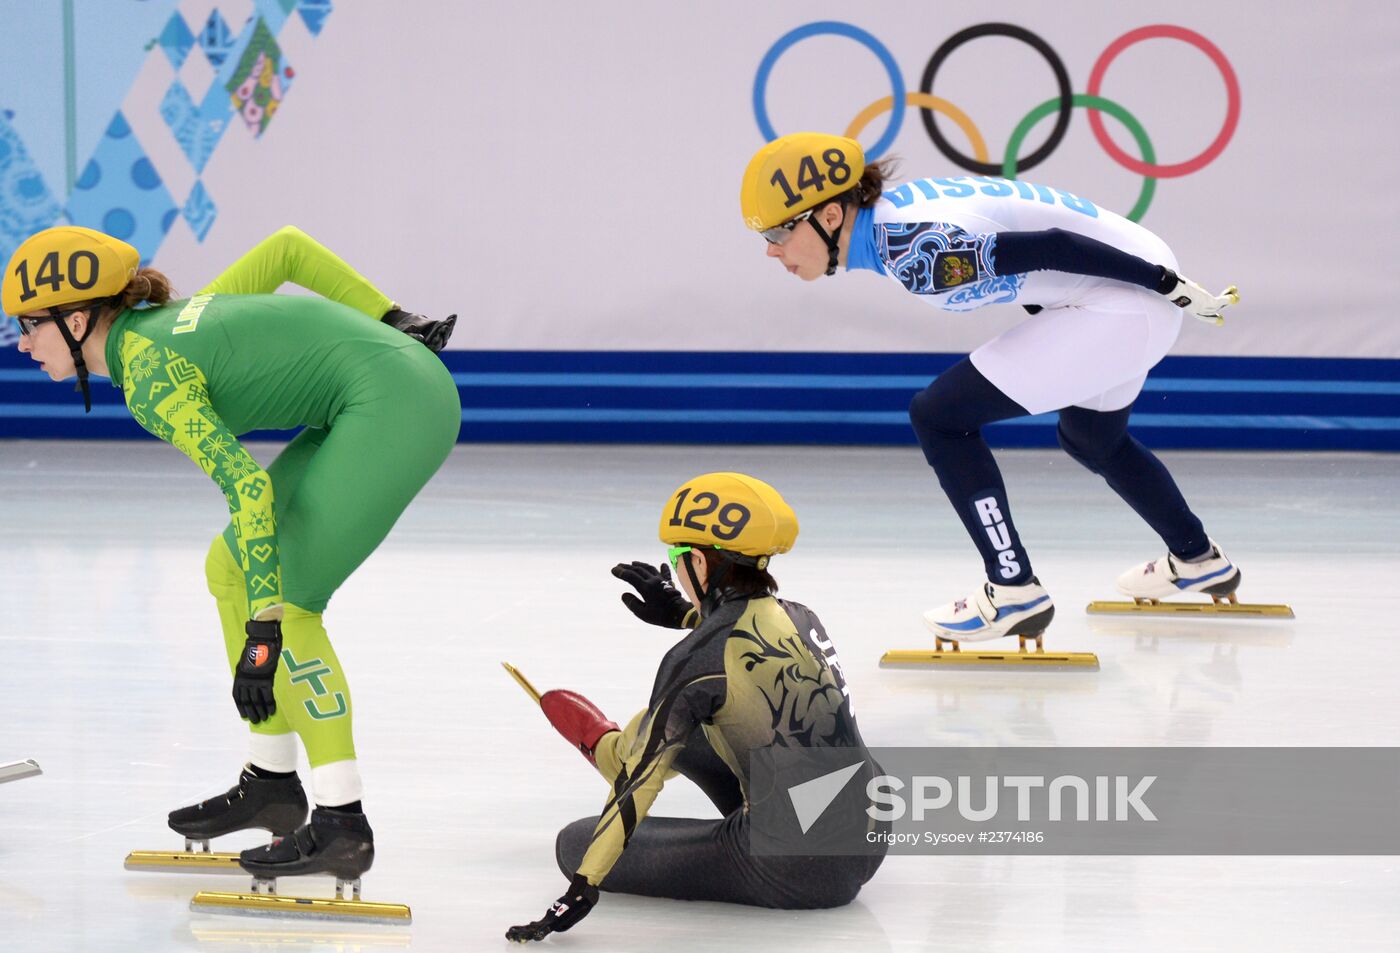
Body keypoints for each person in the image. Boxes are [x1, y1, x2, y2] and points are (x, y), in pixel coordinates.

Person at [3, 224, 462, 884]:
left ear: (77, 320)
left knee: (292, 600)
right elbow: (286, 249)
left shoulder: (151, 377)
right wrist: (388, 314)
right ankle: (271, 777)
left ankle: (342, 821)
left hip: (398, 403)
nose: (21, 342)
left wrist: (263, 629)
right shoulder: (164, 324)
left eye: (29, 325)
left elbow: (245, 485)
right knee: (229, 568)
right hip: (379, 389)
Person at [740, 133, 1242, 646]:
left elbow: (1054, 247)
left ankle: (1013, 589)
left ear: (828, 216)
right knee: (1093, 438)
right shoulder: (896, 222)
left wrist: (1166, 286)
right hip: (1124, 290)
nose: (771, 249)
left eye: (779, 230)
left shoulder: (916, 249)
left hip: (1128, 297)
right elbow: (1029, 263)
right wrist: (1157, 284)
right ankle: (1198, 558)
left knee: (939, 418)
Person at [506, 472, 883, 943]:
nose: (677, 573)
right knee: (701, 719)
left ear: (700, 565)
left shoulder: (694, 659)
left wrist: (580, 890)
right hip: (871, 828)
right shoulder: (801, 615)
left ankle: (609, 747)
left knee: (575, 839)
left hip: (793, 869)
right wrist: (683, 614)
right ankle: (620, 745)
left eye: (677, 560)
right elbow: (744, 637)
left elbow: (638, 786)